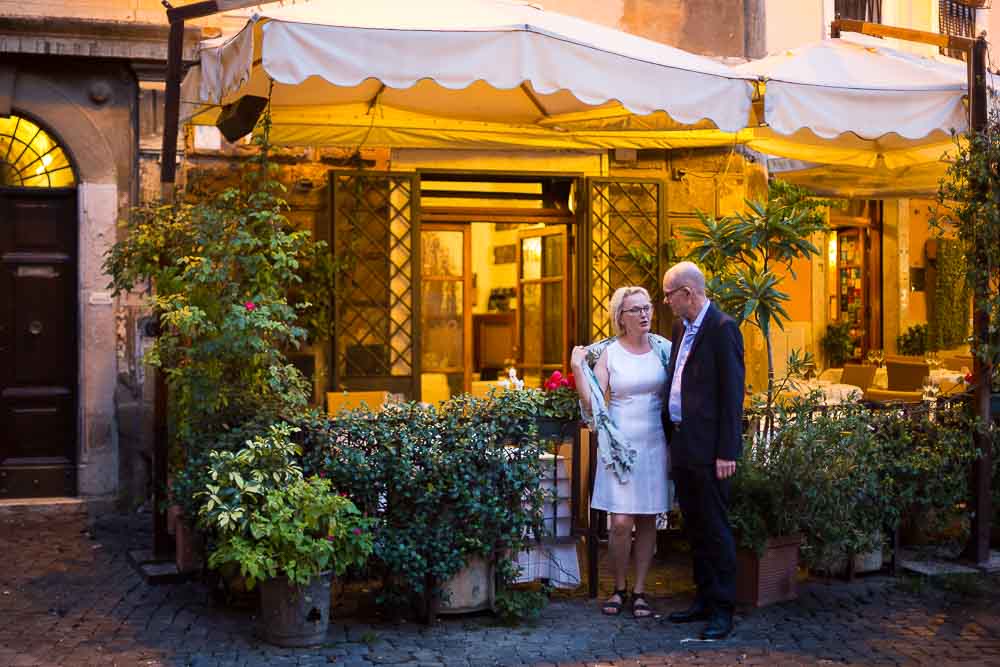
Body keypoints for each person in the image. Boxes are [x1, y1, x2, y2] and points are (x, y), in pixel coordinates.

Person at [571, 286, 672, 619]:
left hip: (654, 443)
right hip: (618, 447)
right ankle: (618, 587)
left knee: (646, 520)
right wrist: (576, 367)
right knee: (620, 522)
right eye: (635, 310)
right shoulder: (610, 353)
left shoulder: (663, 350)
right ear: (620, 318)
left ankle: (640, 590)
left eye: (647, 308)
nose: (644, 314)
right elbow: (593, 400)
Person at [660, 261, 744, 640]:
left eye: (668, 295)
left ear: (688, 293)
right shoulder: (681, 328)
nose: (665, 303)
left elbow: (732, 396)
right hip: (683, 443)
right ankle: (703, 599)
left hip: (712, 450)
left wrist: (728, 451)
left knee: (715, 528)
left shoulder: (723, 330)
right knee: (693, 526)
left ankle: (723, 609)